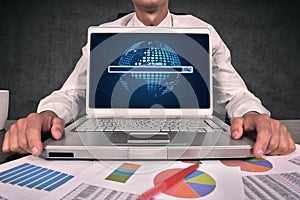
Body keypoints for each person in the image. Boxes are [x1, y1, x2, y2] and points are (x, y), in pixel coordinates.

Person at [2, 0, 295, 158]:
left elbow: (235, 94)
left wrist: (253, 114)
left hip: (190, 148)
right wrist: (47, 115)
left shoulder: (201, 31)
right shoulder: (105, 34)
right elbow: (73, 93)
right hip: (112, 135)